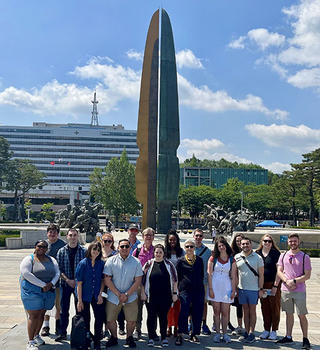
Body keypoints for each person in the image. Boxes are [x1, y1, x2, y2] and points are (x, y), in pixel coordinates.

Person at [20, 240, 60, 350]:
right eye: (39, 246)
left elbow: (57, 272)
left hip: (47, 291)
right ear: (35, 247)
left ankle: (37, 335)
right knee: (33, 315)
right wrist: (43, 285)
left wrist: (51, 283)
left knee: (41, 314)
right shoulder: (28, 259)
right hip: (32, 292)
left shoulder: (52, 259)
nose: (41, 248)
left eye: (44, 247)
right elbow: (26, 273)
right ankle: (30, 341)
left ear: (47, 249)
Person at [104, 238, 143, 348]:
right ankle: (114, 338)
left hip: (131, 296)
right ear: (118, 248)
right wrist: (118, 294)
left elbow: (138, 280)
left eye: (127, 246)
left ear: (130, 248)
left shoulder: (136, 262)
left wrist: (126, 294)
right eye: (122, 246)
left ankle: (129, 338)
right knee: (110, 320)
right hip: (113, 296)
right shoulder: (111, 261)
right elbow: (107, 279)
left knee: (131, 321)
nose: (124, 248)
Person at [276, 233, 312, 349]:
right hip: (286, 289)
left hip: (300, 290)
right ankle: (288, 336)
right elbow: (279, 271)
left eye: (295, 241)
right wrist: (287, 281)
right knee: (288, 314)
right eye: (291, 241)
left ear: (299, 241)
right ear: (288, 242)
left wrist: (294, 281)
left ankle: (305, 338)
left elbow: (307, 275)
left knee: (302, 314)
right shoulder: (284, 255)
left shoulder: (304, 257)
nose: (293, 243)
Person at [141, 244, 178, 347]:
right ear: (154, 253)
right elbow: (142, 280)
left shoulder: (169, 265)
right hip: (151, 296)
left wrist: (174, 293)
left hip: (165, 297)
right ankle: (151, 337)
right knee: (151, 317)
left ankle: (163, 338)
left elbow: (175, 280)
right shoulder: (148, 264)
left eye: (160, 252)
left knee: (163, 318)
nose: (158, 254)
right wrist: (143, 293)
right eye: (156, 252)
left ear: (163, 253)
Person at [55, 228, 86, 342]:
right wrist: (68, 280)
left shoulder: (83, 251)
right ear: (67, 237)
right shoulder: (61, 251)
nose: (73, 238)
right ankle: (62, 333)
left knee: (80, 309)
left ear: (78, 237)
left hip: (79, 285)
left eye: (75, 235)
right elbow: (59, 269)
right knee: (64, 309)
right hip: (65, 284)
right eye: (70, 235)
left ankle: (79, 333)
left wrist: (77, 281)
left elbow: (85, 269)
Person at [76, 242, 105, 350]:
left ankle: (97, 341)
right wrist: (79, 301)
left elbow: (103, 280)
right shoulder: (83, 263)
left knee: (99, 318)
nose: (96, 252)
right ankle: (86, 340)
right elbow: (79, 283)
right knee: (85, 319)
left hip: (96, 295)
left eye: (98, 250)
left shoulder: (101, 264)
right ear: (89, 250)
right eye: (94, 249)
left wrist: (101, 294)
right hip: (84, 295)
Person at [235, 236, 264, 343]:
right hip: (242, 289)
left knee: (252, 311)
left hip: (254, 289)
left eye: (247, 243)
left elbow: (261, 275)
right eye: (243, 244)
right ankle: (246, 332)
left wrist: (260, 289)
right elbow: (235, 274)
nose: (245, 246)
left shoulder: (258, 258)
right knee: (245, 311)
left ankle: (252, 333)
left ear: (251, 244)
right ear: (240, 245)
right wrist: (236, 288)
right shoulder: (237, 257)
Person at [175, 239, 204, 345]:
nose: (189, 249)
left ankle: (194, 333)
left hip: (198, 290)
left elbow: (201, 274)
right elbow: (177, 277)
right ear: (184, 248)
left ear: (194, 248)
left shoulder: (199, 260)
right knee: (184, 310)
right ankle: (181, 333)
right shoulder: (180, 261)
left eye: (191, 246)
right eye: (187, 247)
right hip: (185, 290)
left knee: (197, 312)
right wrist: (177, 290)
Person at [208, 236, 236, 343]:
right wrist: (210, 289)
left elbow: (233, 276)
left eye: (223, 245)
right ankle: (217, 334)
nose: (221, 247)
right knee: (216, 311)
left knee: (225, 312)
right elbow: (209, 274)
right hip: (215, 287)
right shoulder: (212, 259)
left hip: (226, 288)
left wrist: (233, 290)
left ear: (226, 246)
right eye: (219, 246)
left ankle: (225, 334)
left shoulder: (231, 259)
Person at [41, 223, 65, 337]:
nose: (52, 234)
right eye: (50, 232)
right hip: (45, 281)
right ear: (47, 233)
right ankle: (45, 326)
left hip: (59, 281)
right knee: (45, 304)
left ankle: (58, 327)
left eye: (54, 232)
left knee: (58, 304)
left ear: (58, 234)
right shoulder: (43, 245)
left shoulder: (62, 245)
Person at [256, 234, 281, 340]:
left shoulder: (276, 254)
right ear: (261, 242)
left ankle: (274, 330)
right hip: (262, 285)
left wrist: (275, 285)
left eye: (269, 241)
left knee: (274, 307)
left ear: (272, 243)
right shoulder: (257, 254)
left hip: (273, 284)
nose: (267, 243)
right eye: (265, 241)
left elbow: (279, 271)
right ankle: (266, 329)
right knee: (264, 307)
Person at [132, 227, 155, 340]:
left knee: (152, 310)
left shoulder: (157, 250)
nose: (148, 237)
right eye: (146, 235)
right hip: (139, 284)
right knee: (138, 309)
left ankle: (152, 332)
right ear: (142, 236)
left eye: (150, 235)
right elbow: (132, 266)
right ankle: (138, 330)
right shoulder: (137, 251)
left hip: (152, 285)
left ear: (153, 237)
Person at [164, 229, 184, 338]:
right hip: (167, 283)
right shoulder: (164, 252)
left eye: (174, 240)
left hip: (179, 282)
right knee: (167, 307)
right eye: (170, 240)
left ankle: (176, 326)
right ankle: (168, 326)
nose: (172, 242)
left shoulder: (181, 252)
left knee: (177, 306)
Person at [193, 228, 211, 335]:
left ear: (203, 237)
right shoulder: (189, 248)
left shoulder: (208, 251)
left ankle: (204, 323)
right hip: (191, 281)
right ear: (193, 236)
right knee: (191, 303)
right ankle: (191, 323)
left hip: (203, 281)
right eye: (197, 236)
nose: (198, 238)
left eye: (200, 236)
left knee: (203, 304)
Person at [229, 233, 245, 334]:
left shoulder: (247, 252)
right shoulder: (231, 253)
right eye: (237, 241)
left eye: (241, 240)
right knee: (228, 303)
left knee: (240, 305)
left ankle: (240, 325)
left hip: (243, 282)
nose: (239, 243)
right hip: (231, 281)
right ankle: (227, 323)